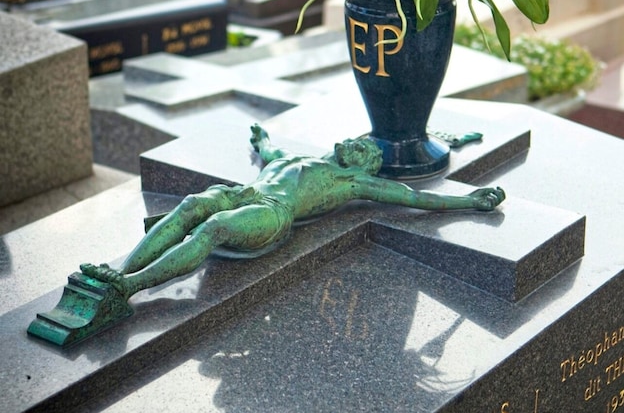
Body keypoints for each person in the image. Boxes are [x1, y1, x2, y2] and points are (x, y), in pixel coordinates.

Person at [80, 124, 505, 301]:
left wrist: (469, 201)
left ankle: (130, 287)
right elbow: (268, 150)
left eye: (366, 150)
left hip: (272, 212)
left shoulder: (352, 183)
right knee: (192, 204)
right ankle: (119, 269)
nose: (359, 143)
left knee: (210, 229)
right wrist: (261, 137)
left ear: (363, 166)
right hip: (245, 191)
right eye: (362, 141)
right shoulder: (293, 157)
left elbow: (414, 198)